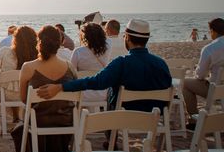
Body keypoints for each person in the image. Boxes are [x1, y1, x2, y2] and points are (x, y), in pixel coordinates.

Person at [37, 19, 172, 114]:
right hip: (154, 116)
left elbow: (96, 81)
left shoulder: (121, 63)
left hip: (125, 115)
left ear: (127, 38)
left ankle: (111, 139)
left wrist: (61, 86)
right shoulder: (161, 64)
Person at [12, 25, 77, 152]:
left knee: (19, 126)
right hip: (66, 122)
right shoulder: (70, 67)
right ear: (59, 43)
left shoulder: (28, 67)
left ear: (39, 42)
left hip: (39, 122)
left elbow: (24, 99)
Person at [0, 26, 38, 134]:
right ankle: (17, 117)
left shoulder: (5, 52)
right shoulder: (37, 57)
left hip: (5, 95)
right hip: (26, 95)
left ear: (15, 39)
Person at [183, 18, 224, 130]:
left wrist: (198, 71)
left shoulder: (210, 48)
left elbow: (200, 75)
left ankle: (193, 120)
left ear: (213, 31)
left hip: (216, 90)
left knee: (185, 84)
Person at [70, 23, 111, 106]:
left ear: (85, 36)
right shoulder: (107, 49)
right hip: (103, 94)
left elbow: (71, 73)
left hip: (83, 94)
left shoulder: (78, 52)